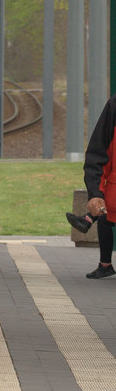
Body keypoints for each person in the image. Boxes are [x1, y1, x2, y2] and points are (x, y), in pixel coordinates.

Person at [66, 95, 116, 279]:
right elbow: (99, 152)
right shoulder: (114, 106)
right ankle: (105, 264)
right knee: (104, 216)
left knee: (103, 217)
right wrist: (95, 192)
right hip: (112, 194)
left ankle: (87, 220)